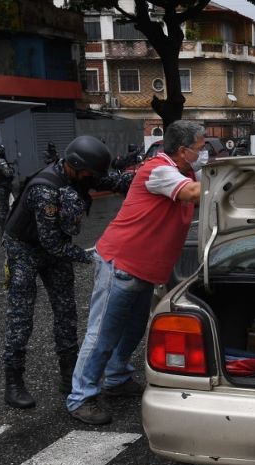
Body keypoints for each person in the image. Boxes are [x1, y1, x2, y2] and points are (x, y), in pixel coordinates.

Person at [67, 120, 206, 425]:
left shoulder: (183, 170)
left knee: (132, 330)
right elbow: (195, 194)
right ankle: (81, 397)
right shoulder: (159, 170)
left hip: (144, 269)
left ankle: (116, 379)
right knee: (102, 332)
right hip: (123, 263)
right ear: (182, 150)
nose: (203, 151)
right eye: (200, 147)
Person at [1, 135, 112, 409]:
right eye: (89, 172)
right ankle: (13, 383)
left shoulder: (80, 175)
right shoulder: (45, 191)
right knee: (21, 317)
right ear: (75, 165)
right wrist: (90, 257)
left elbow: (112, 180)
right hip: (24, 248)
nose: (91, 177)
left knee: (66, 313)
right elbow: (51, 242)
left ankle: (69, 376)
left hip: (55, 248)